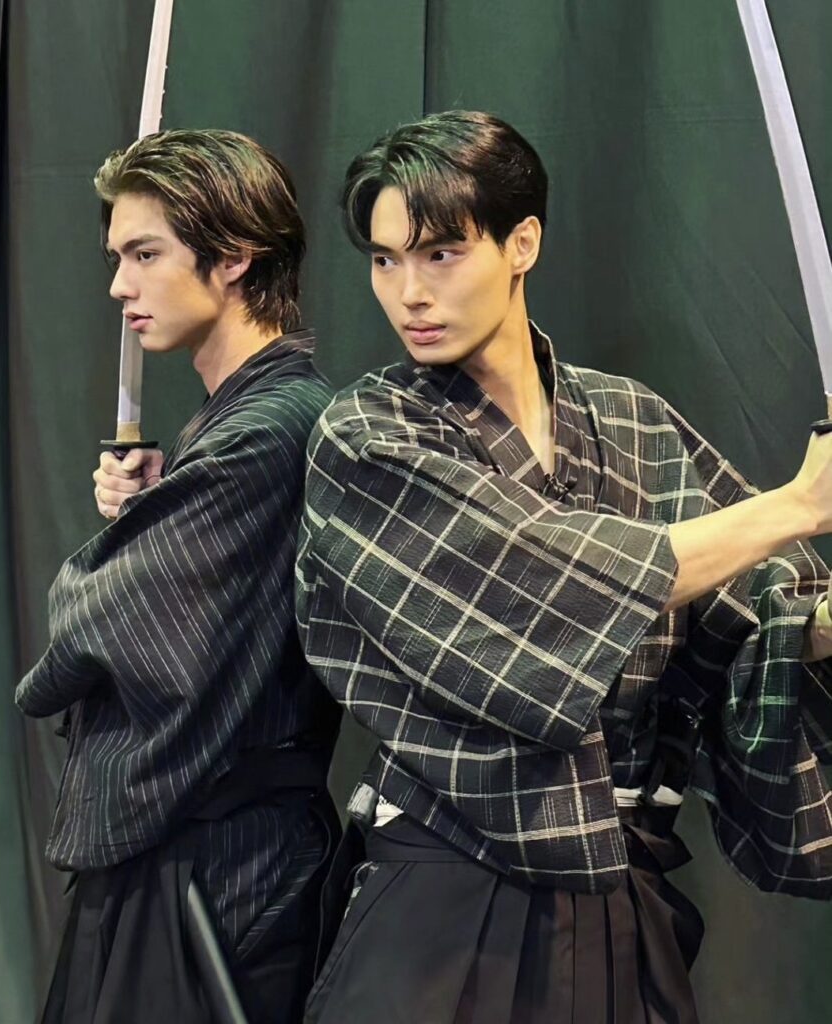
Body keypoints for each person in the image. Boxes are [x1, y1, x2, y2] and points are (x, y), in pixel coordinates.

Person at [296, 110, 832, 1023]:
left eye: (439, 254)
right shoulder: (368, 437)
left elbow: (751, 608)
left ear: (522, 243)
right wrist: (799, 504)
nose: (407, 293)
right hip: (444, 886)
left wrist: (811, 628)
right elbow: (552, 588)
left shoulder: (628, 419)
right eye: (384, 260)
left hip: (619, 886)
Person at [15, 128, 341, 1024]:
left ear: (233, 256)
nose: (119, 286)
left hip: (218, 870)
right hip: (208, 856)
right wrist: (154, 514)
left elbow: (92, 627)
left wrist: (115, 554)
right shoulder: (240, 424)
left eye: (145, 253)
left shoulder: (267, 429)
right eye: (118, 257)